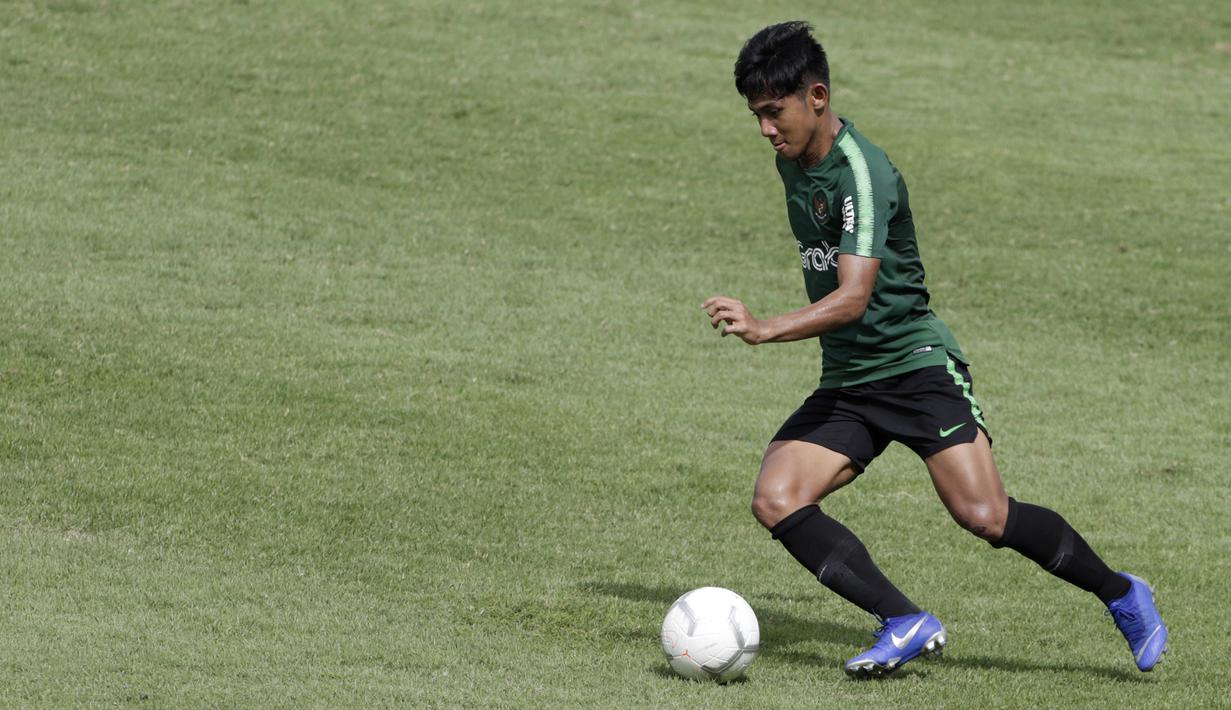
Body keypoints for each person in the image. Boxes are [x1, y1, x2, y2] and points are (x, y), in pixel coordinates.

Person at [703, 21, 1168, 677]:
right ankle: (902, 619)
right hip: (849, 379)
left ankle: (1121, 593)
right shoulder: (792, 159)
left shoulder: (863, 175)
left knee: (984, 515)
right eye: (754, 115)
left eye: (772, 112)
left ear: (815, 95)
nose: (764, 130)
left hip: (915, 368)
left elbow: (854, 296)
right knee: (776, 497)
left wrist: (763, 326)